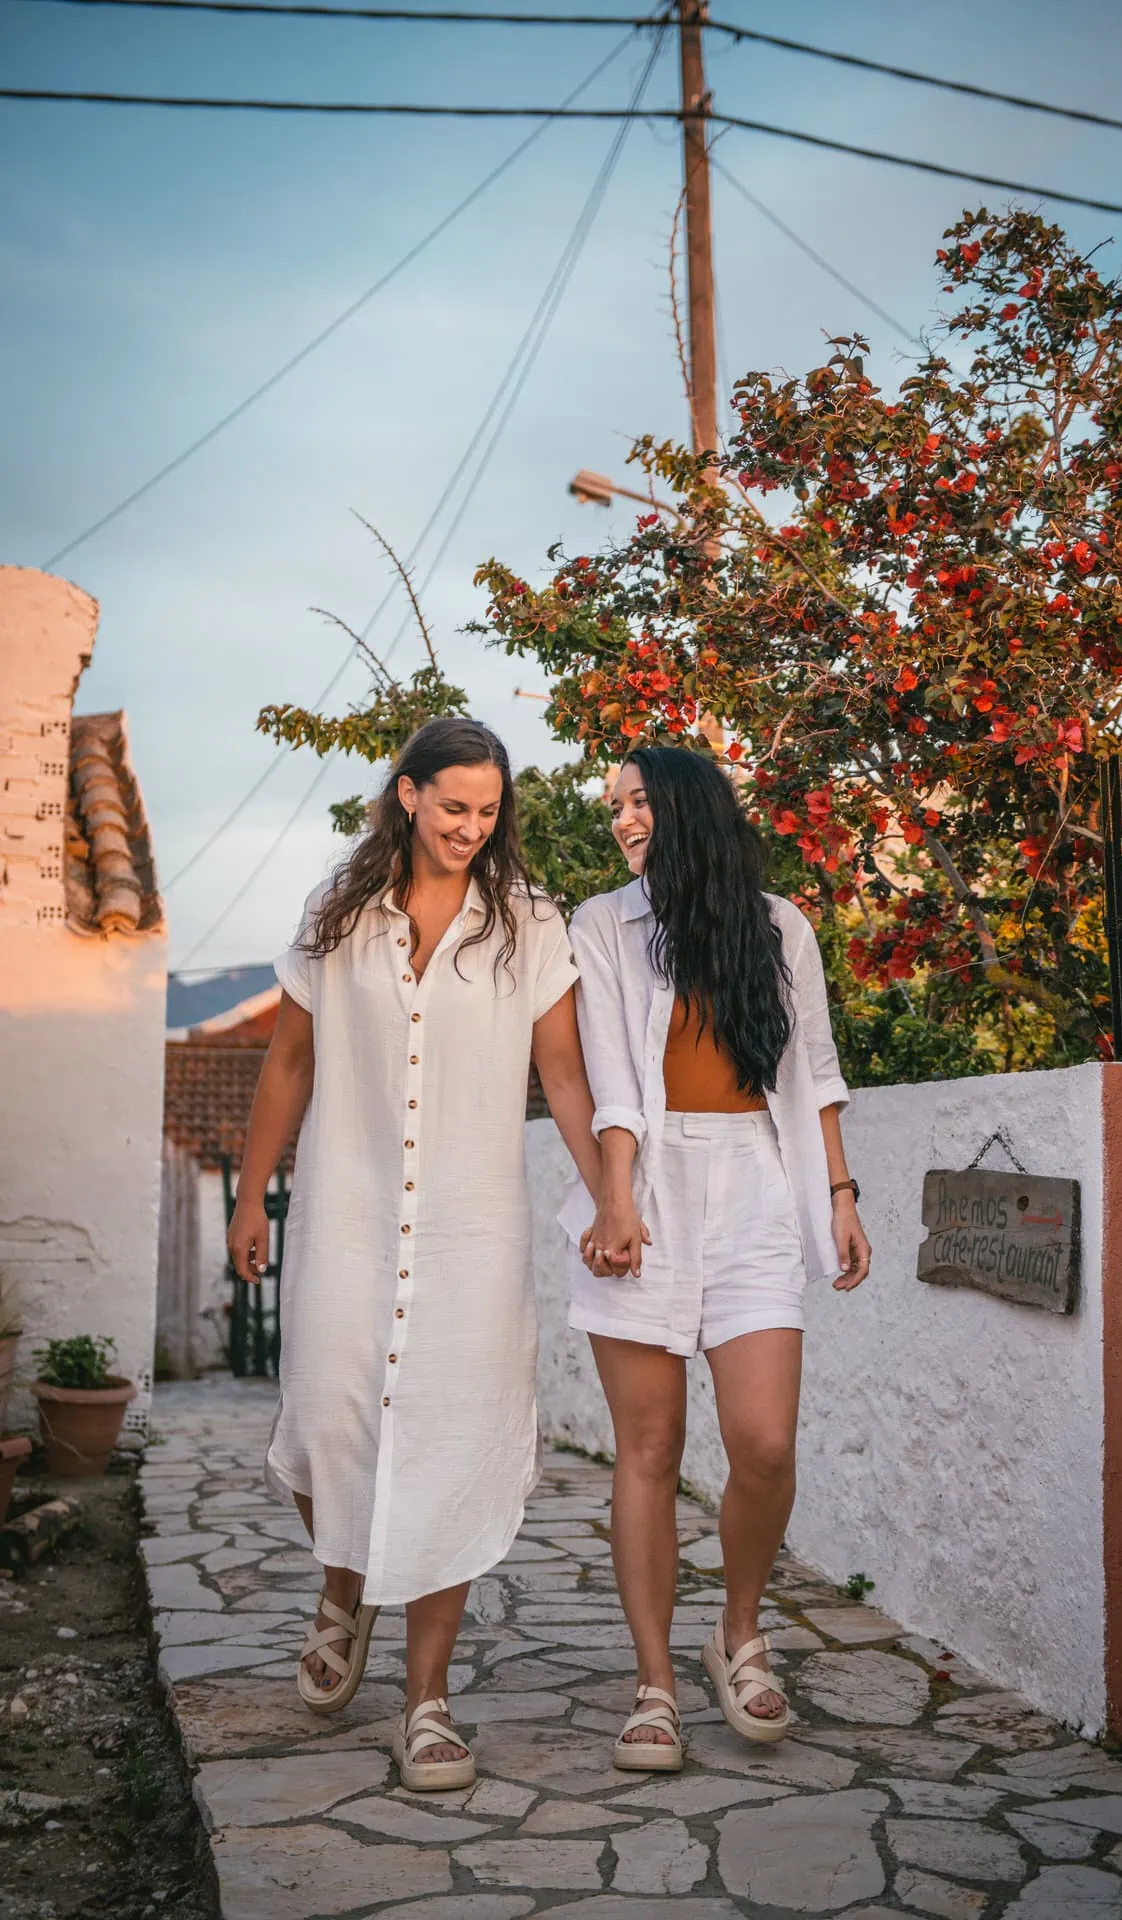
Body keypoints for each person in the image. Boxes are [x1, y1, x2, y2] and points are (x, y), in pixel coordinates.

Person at [227, 716, 601, 1793]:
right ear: (407, 795)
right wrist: (251, 1196)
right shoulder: (337, 912)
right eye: (452, 808)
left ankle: (426, 1701)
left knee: (450, 1445)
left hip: (469, 1231)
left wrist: (610, 1192)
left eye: (487, 812)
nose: (469, 829)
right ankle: (343, 1588)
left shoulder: (529, 923)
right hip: (346, 1213)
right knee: (325, 1417)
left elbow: (562, 1075)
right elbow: (289, 1063)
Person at [563, 744, 871, 1772]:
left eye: (637, 801)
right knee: (648, 1449)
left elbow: (814, 1068)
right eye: (614, 805)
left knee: (764, 1443)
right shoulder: (603, 924)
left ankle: (737, 1629)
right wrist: (615, 1201)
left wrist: (839, 1194)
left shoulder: (779, 927)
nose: (621, 818)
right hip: (647, 1186)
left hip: (754, 1186)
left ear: (688, 807)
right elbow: (610, 1074)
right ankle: (653, 1682)